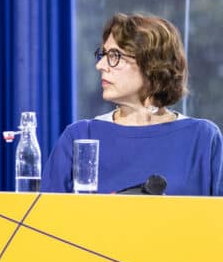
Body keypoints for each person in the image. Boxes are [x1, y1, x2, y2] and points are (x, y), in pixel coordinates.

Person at [44, 13, 222, 196]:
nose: (100, 65)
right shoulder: (79, 137)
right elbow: (44, 212)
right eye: (103, 54)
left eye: (114, 55)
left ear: (152, 64)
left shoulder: (203, 138)